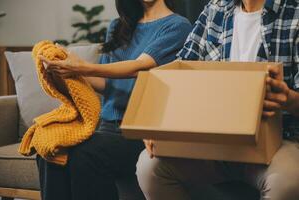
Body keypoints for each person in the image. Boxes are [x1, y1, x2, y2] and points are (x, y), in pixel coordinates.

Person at [136, 0, 299, 199]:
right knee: (149, 167)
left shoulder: (294, 12)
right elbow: (179, 70)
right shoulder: (215, 9)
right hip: (214, 140)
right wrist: (155, 123)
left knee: (287, 182)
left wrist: (288, 99)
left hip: (280, 140)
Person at [37, 0, 192, 199]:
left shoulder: (178, 26)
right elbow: (105, 82)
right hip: (107, 128)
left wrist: (81, 67)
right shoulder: (118, 27)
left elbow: (140, 66)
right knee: (52, 149)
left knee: (86, 154)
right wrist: (63, 67)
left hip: (141, 134)